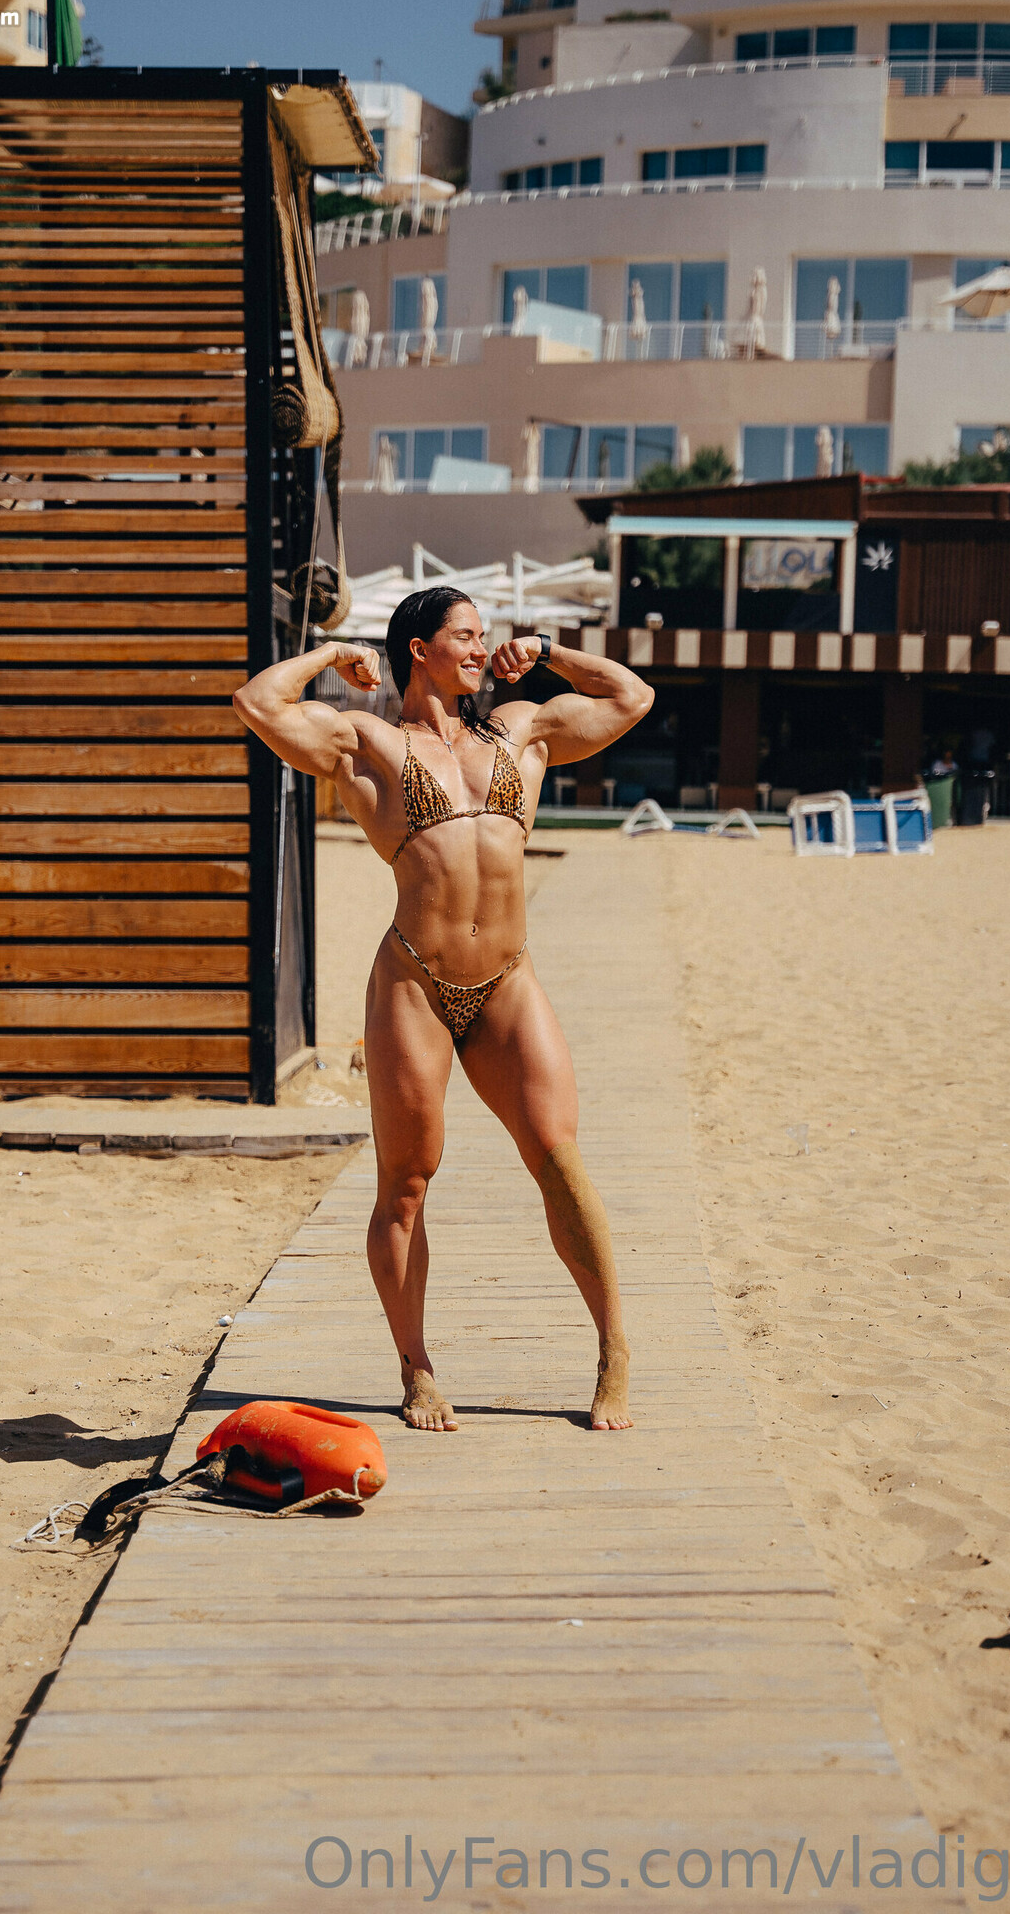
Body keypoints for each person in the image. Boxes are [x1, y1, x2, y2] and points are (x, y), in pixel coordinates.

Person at [233, 588, 653, 1432]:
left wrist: (547, 651)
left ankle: (613, 1349)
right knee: (406, 1184)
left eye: (485, 636)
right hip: (414, 984)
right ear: (419, 649)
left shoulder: (521, 730)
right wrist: (333, 656)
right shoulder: (368, 743)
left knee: (559, 1157)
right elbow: (257, 702)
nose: (482, 649)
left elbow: (630, 696)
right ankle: (416, 1368)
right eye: (466, 636)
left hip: (508, 982)